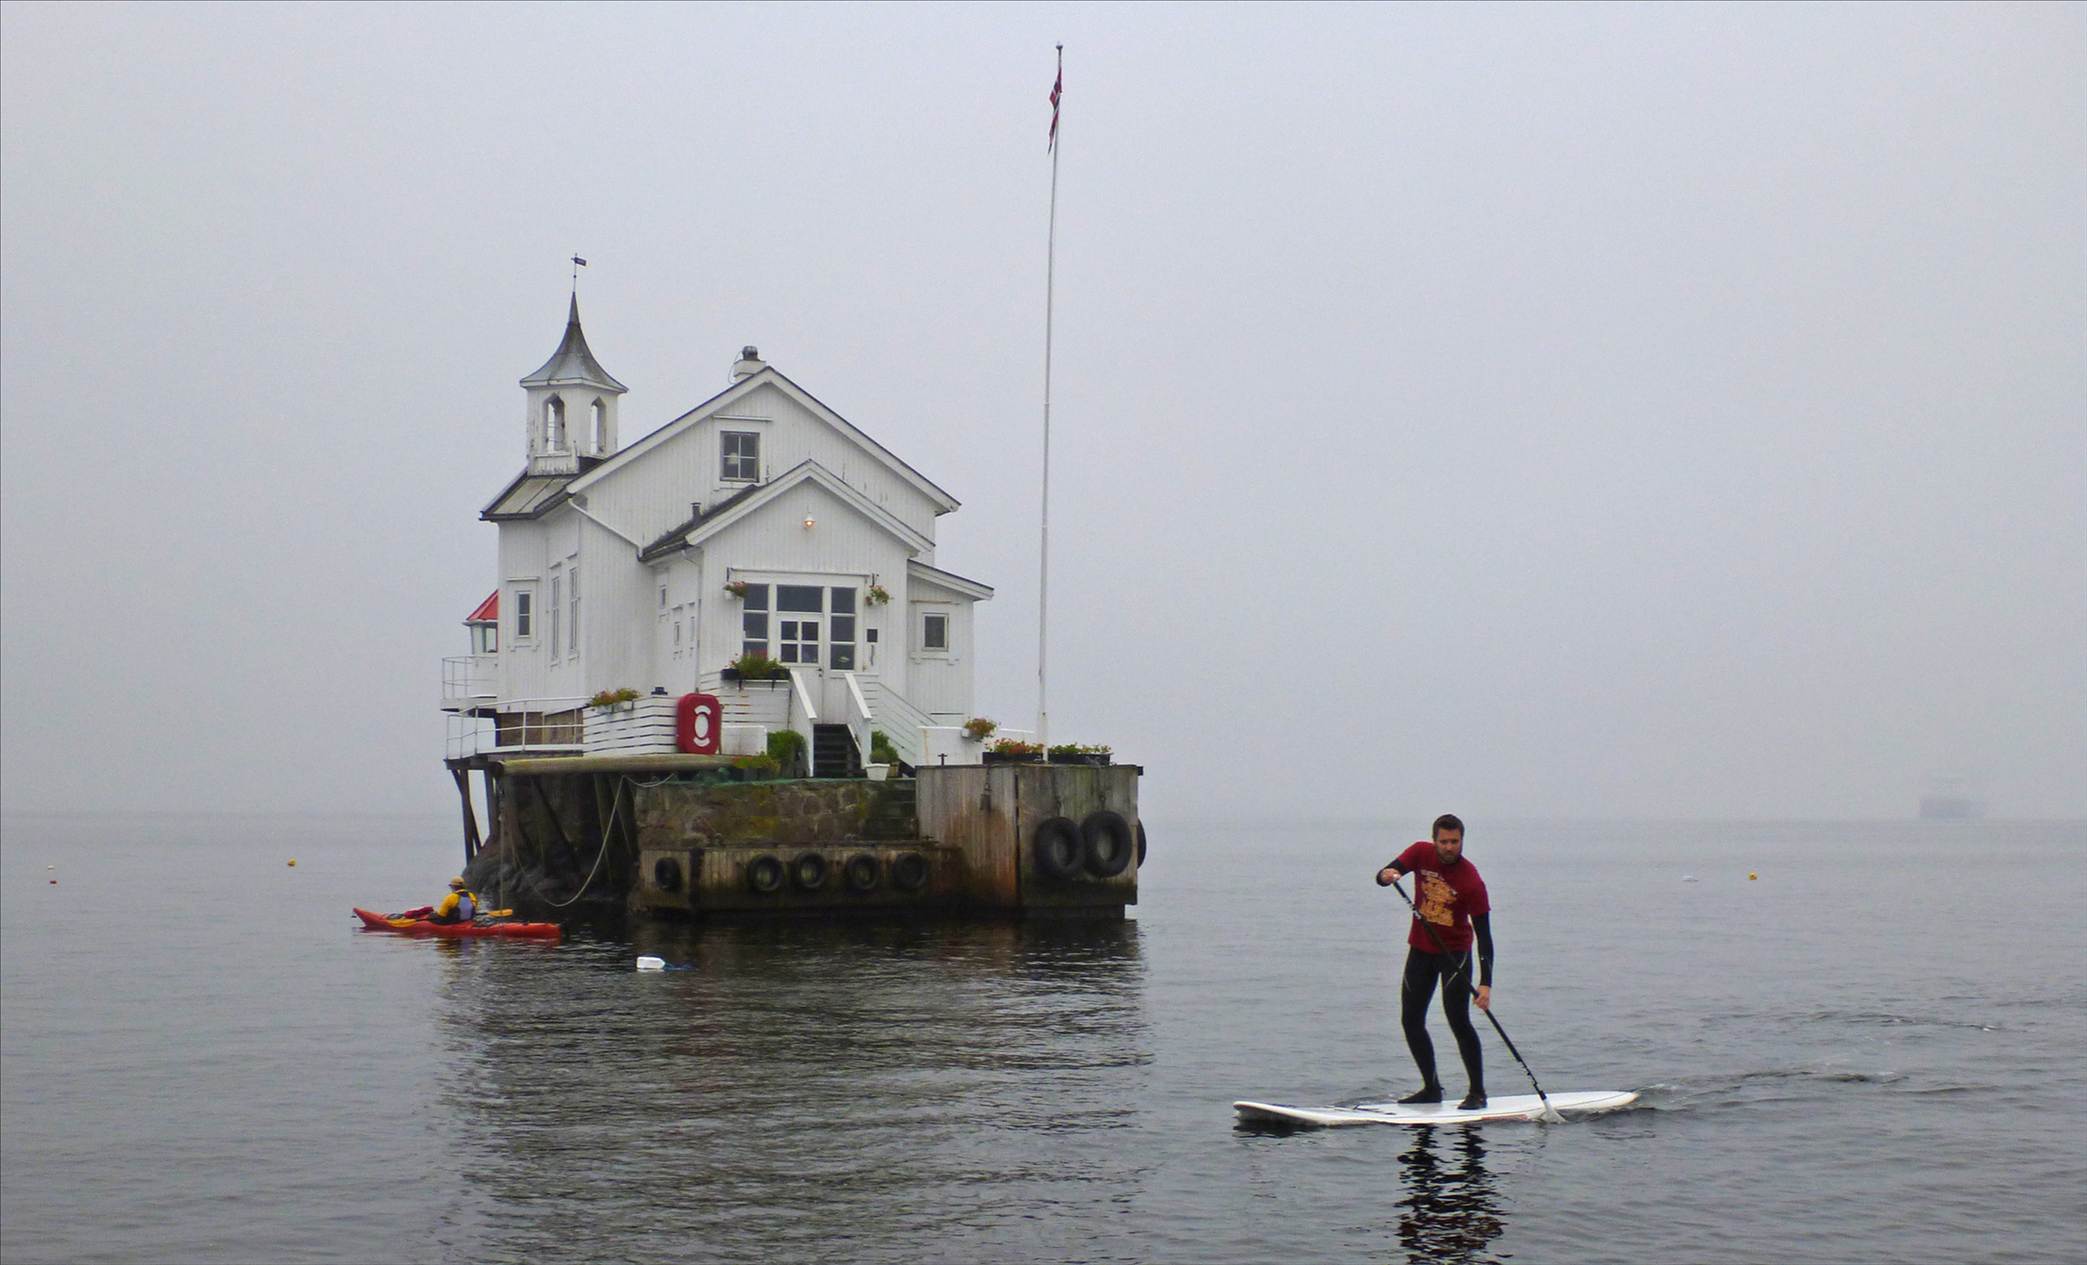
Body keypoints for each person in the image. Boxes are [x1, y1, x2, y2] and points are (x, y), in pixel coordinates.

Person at [1376, 813, 1493, 1109]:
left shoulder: (1472, 881)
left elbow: (1485, 937)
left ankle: (1477, 1093)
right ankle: (1431, 1088)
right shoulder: (1419, 852)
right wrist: (1388, 876)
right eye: (1444, 841)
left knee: (1458, 1020)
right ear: (1434, 840)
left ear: (1462, 841)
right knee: (1411, 1019)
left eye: (1455, 842)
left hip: (1454, 955)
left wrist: (1485, 983)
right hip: (1421, 949)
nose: (1449, 847)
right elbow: (1384, 874)